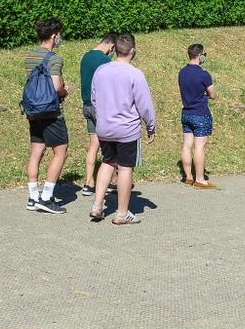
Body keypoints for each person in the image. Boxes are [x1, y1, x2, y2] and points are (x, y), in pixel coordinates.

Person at [89, 33, 156, 225]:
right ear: (133, 51)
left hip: (104, 126)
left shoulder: (101, 71)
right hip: (126, 129)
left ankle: (97, 205)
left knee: (108, 162)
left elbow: (94, 98)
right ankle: (122, 212)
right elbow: (145, 105)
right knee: (126, 167)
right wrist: (150, 125)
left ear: (115, 49)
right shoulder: (135, 74)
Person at [23, 17, 70, 214]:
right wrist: (64, 91)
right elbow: (55, 86)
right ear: (53, 35)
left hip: (33, 110)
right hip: (50, 111)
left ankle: (33, 197)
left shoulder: (30, 56)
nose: (60, 37)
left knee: (36, 152)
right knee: (61, 151)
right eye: (59, 33)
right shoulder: (54, 58)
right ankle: (47, 197)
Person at [79, 34, 116, 196]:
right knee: (110, 145)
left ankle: (89, 182)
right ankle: (113, 181)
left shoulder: (85, 57)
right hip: (101, 107)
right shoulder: (106, 61)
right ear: (112, 47)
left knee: (94, 144)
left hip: (86, 105)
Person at [178, 43, 217, 190]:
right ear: (200, 55)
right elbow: (212, 94)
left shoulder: (182, 72)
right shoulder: (204, 74)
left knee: (187, 145)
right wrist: (205, 93)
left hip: (186, 113)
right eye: (204, 55)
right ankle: (200, 179)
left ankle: (188, 177)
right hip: (200, 113)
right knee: (199, 146)